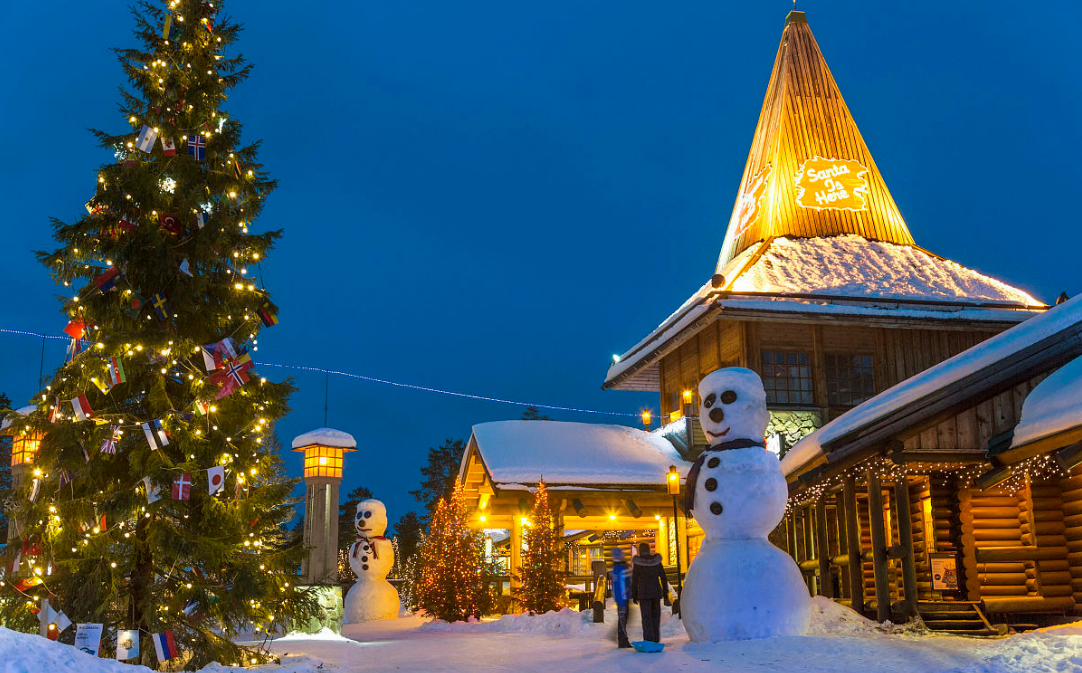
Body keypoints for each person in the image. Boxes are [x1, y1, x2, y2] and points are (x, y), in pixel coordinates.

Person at [630, 542, 670, 643]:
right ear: (649, 549)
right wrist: (665, 592)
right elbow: (663, 577)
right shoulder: (656, 561)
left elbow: (634, 580)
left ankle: (648, 640)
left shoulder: (638, 563)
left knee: (646, 618)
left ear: (640, 550)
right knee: (655, 617)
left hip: (643, 594)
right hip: (656, 592)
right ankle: (656, 640)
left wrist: (634, 595)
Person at [610, 547, 631, 648]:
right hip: (622, 597)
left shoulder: (617, 567)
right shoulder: (620, 568)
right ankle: (622, 640)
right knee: (623, 618)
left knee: (623, 618)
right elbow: (621, 585)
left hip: (622, 596)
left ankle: (622, 639)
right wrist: (623, 597)